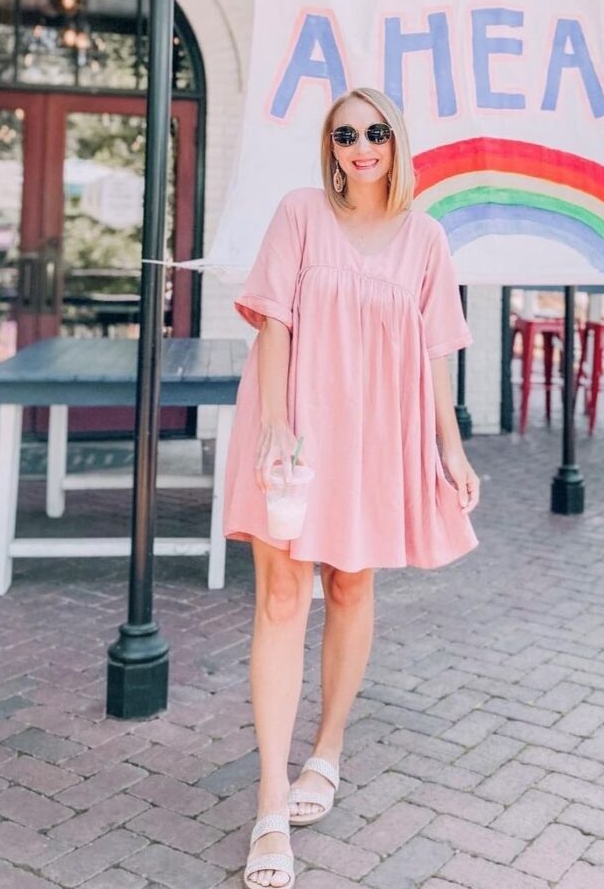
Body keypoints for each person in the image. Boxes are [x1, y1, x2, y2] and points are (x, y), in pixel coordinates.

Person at [222, 87, 482, 888]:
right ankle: (270, 802)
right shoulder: (301, 213)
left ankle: (327, 749)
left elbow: (438, 353)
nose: (361, 146)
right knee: (278, 596)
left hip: (377, 435)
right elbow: (274, 321)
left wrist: (452, 447)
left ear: (396, 142)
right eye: (345, 135)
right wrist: (272, 423)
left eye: (374, 132)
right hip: (295, 429)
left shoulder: (427, 239)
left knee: (353, 586)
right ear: (330, 146)